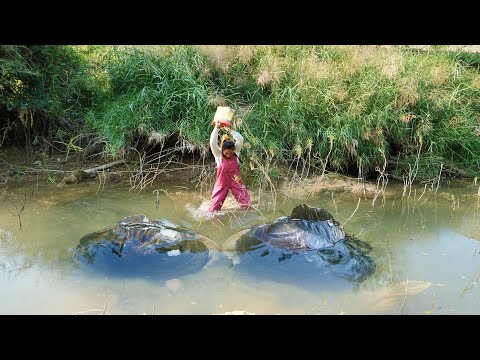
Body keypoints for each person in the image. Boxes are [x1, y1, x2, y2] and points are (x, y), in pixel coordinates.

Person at [208, 118, 251, 212]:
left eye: (231, 153)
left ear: (234, 150)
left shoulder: (236, 152)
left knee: (246, 204)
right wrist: (216, 128)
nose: (228, 155)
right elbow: (212, 143)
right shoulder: (218, 154)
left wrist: (229, 130)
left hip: (236, 181)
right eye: (226, 153)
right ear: (222, 150)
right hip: (222, 184)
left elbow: (240, 139)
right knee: (213, 209)